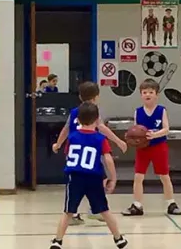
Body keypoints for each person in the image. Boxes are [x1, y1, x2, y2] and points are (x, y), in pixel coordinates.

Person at [50, 102, 128, 249]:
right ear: (97, 119)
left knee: (68, 211)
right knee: (104, 210)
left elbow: (68, 156)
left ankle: (57, 241)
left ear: (77, 120)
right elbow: (108, 159)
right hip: (94, 178)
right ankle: (118, 238)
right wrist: (113, 177)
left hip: (75, 177)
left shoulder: (72, 137)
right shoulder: (100, 139)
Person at [122, 79, 181, 216]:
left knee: (164, 176)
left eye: (150, 92)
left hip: (159, 146)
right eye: (144, 92)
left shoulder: (161, 110)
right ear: (141, 95)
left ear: (156, 95)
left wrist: (154, 135)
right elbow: (137, 129)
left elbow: (166, 129)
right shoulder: (138, 112)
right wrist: (133, 137)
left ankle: (171, 203)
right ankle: (137, 205)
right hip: (143, 148)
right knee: (138, 176)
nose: (147, 94)